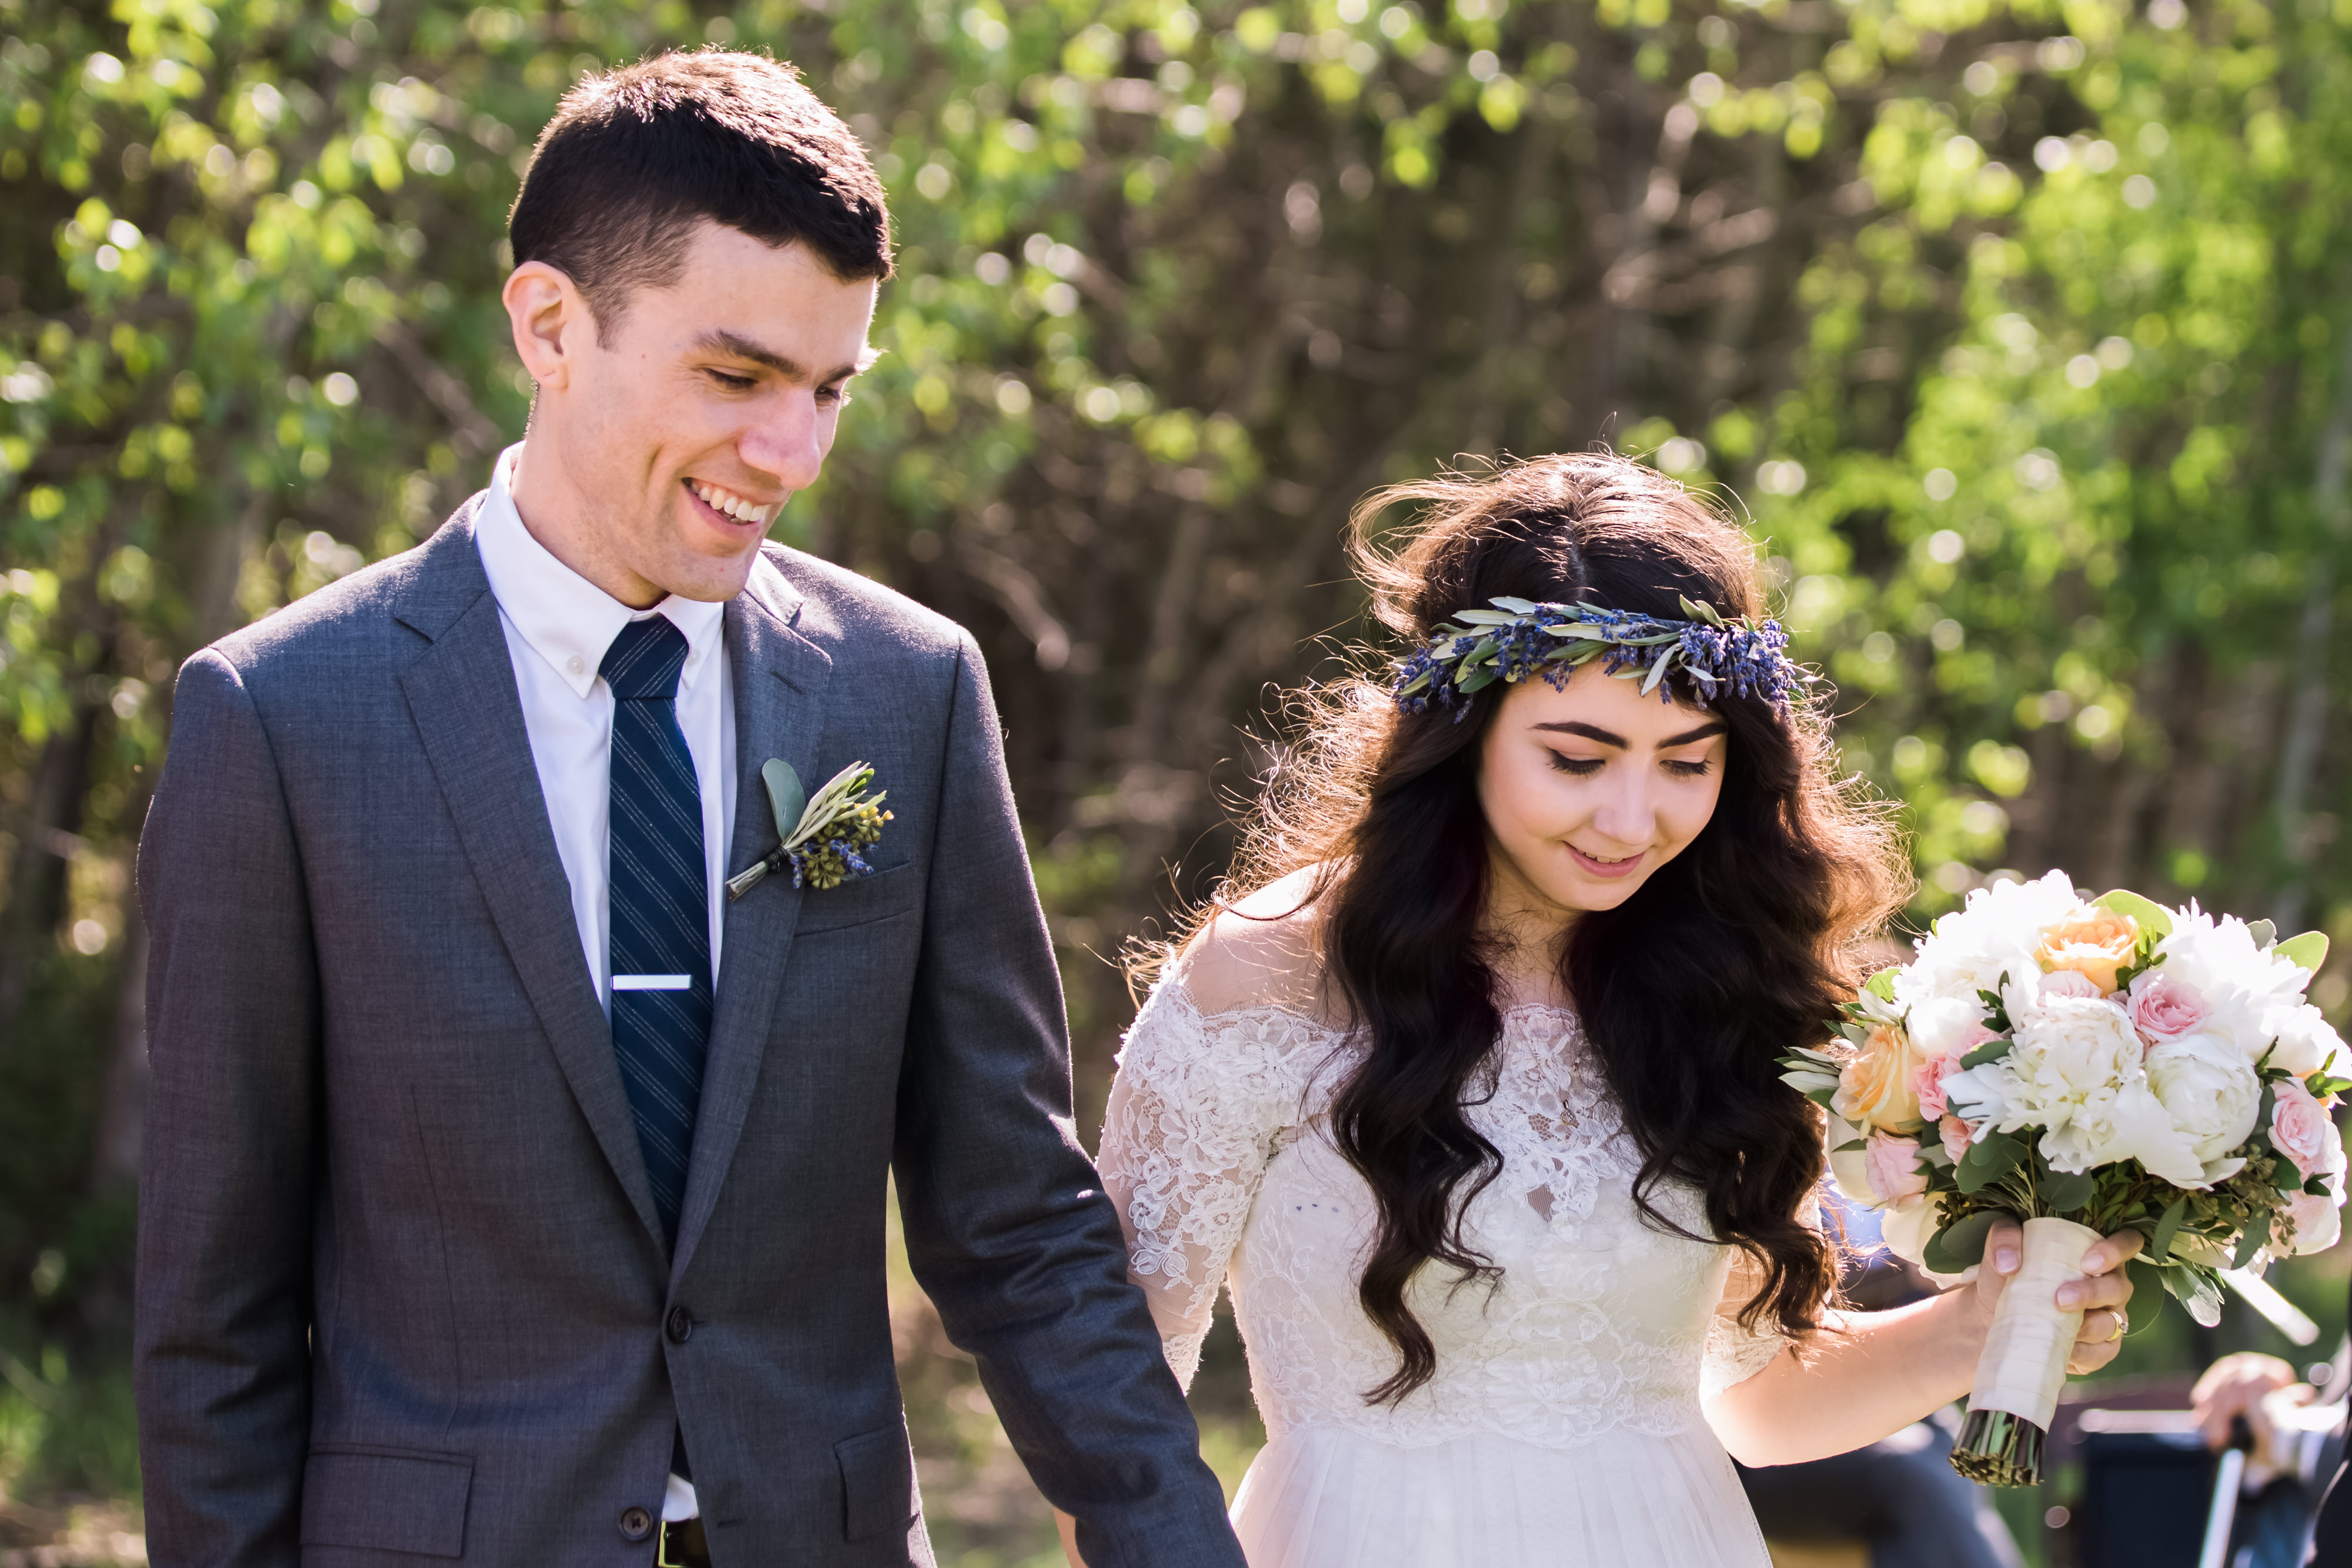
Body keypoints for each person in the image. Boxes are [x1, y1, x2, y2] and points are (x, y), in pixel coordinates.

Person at [133, 49, 1243, 1568]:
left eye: (827, 390)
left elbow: (1015, 1218)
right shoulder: (282, 719)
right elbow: (215, 1317)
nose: (789, 453)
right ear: (549, 324)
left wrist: (1173, 1543)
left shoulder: (905, 692)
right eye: (735, 377)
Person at [1079, 454, 2141, 1566]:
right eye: (1578, 758)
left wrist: (1981, 1325)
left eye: (1688, 763)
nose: (1632, 819)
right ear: (1462, 731)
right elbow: (1110, 1393)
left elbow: (1760, 1403)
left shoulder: (1722, 990)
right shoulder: (1263, 981)